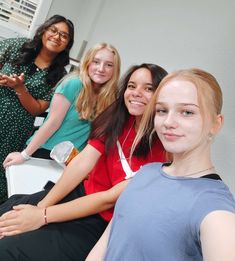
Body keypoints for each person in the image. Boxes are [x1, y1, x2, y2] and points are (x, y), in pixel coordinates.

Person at [0, 63, 168, 261]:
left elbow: (108, 199)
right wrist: (41, 206)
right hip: (80, 193)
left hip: (102, 221)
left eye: (148, 88)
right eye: (132, 86)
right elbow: (83, 162)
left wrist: (42, 216)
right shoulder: (118, 120)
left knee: (8, 249)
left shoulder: (163, 148)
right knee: (9, 210)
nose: (136, 93)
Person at [86, 68, 235, 261]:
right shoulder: (146, 173)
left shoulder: (215, 209)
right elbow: (108, 240)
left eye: (187, 112)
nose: (168, 122)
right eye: (162, 110)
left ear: (215, 124)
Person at [3, 42, 121, 166]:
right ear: (87, 63)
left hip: (71, 160)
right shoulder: (74, 83)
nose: (101, 69)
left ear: (115, 70)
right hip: (44, 152)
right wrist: (24, 155)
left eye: (109, 65)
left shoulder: (110, 97)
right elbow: (53, 122)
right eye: (96, 62)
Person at [0, 15, 74, 202]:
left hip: (14, 130)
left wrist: (19, 88)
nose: (57, 37)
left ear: (67, 44)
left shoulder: (60, 75)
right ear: (43, 31)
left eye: (64, 36)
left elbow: (37, 109)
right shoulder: (19, 46)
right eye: (53, 30)